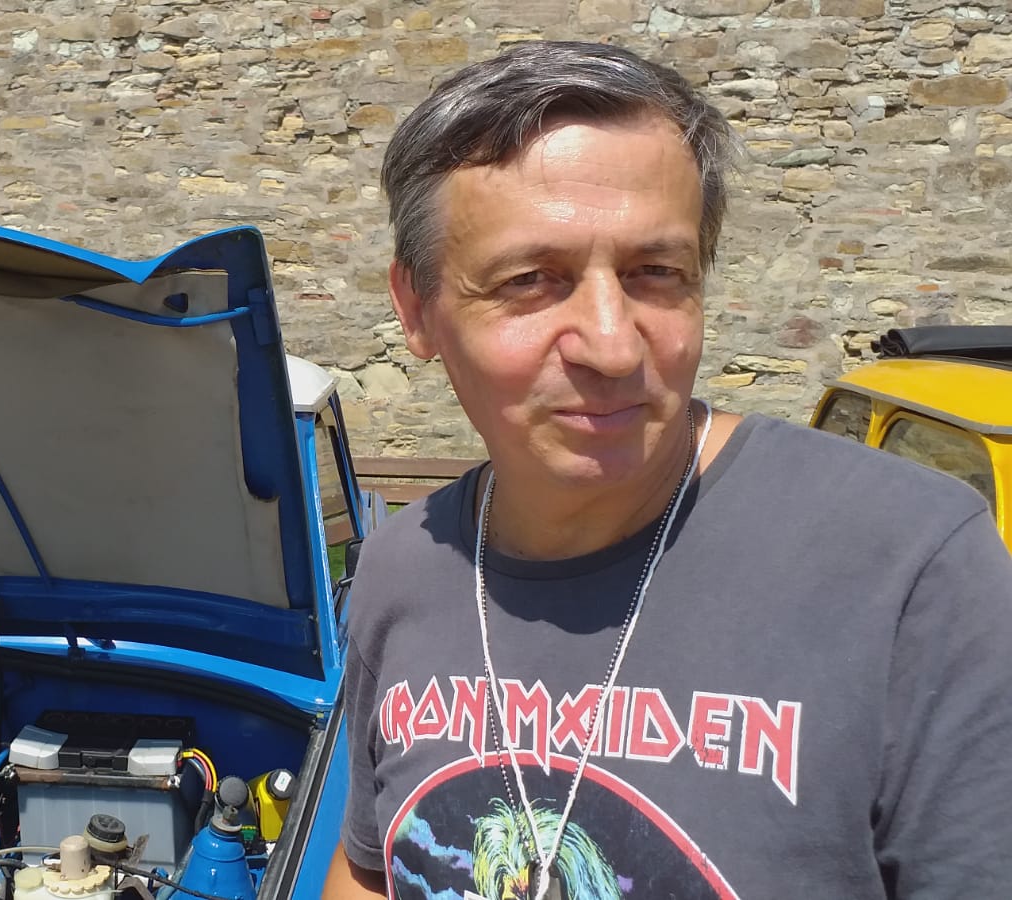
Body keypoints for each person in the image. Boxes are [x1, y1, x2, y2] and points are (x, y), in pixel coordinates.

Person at [323, 40, 1012, 900]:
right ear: (417, 310)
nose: (613, 346)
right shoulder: (403, 567)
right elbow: (372, 869)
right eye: (531, 280)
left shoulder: (909, 566)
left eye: (656, 274)